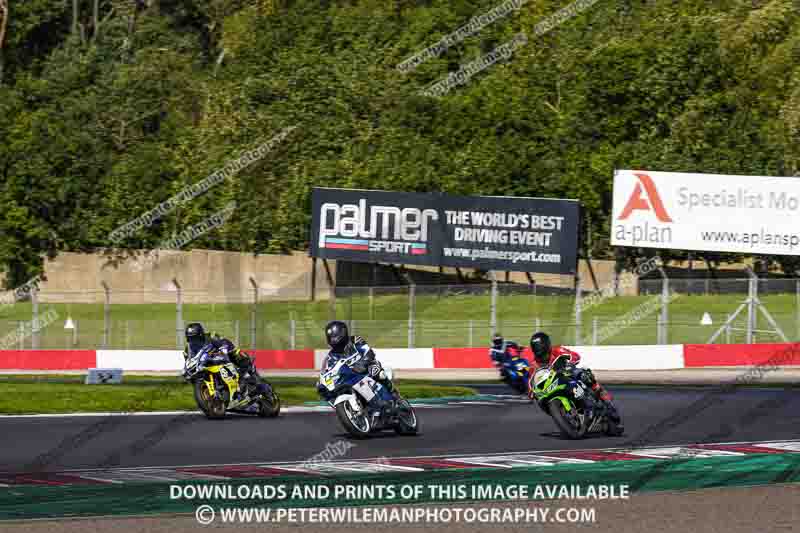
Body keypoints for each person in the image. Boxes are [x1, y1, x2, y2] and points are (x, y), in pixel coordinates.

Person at [528, 331, 621, 424]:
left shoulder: (558, 350)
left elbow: (575, 356)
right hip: (552, 384)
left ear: (547, 345)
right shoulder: (534, 365)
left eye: (541, 348)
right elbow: (531, 380)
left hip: (568, 373)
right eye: (537, 349)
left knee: (585, 374)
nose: (541, 354)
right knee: (540, 400)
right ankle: (566, 413)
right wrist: (531, 391)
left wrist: (570, 363)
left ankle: (607, 401)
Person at [318, 320, 397, 409]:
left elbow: (368, 352)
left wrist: (363, 363)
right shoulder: (331, 356)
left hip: (367, 369)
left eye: (334, 336)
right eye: (330, 337)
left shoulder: (355, 340)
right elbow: (328, 371)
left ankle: (393, 393)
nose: (333, 340)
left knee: (376, 371)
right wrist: (322, 383)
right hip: (352, 378)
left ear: (342, 333)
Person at [183, 322, 266, 398]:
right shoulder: (188, 349)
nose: (193, 341)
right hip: (205, 365)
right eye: (190, 339)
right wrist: (186, 370)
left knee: (237, 355)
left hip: (220, 354)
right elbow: (188, 360)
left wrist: (222, 349)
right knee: (195, 377)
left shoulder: (211, 336)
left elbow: (223, 342)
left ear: (201, 335)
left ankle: (253, 377)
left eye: (195, 338)